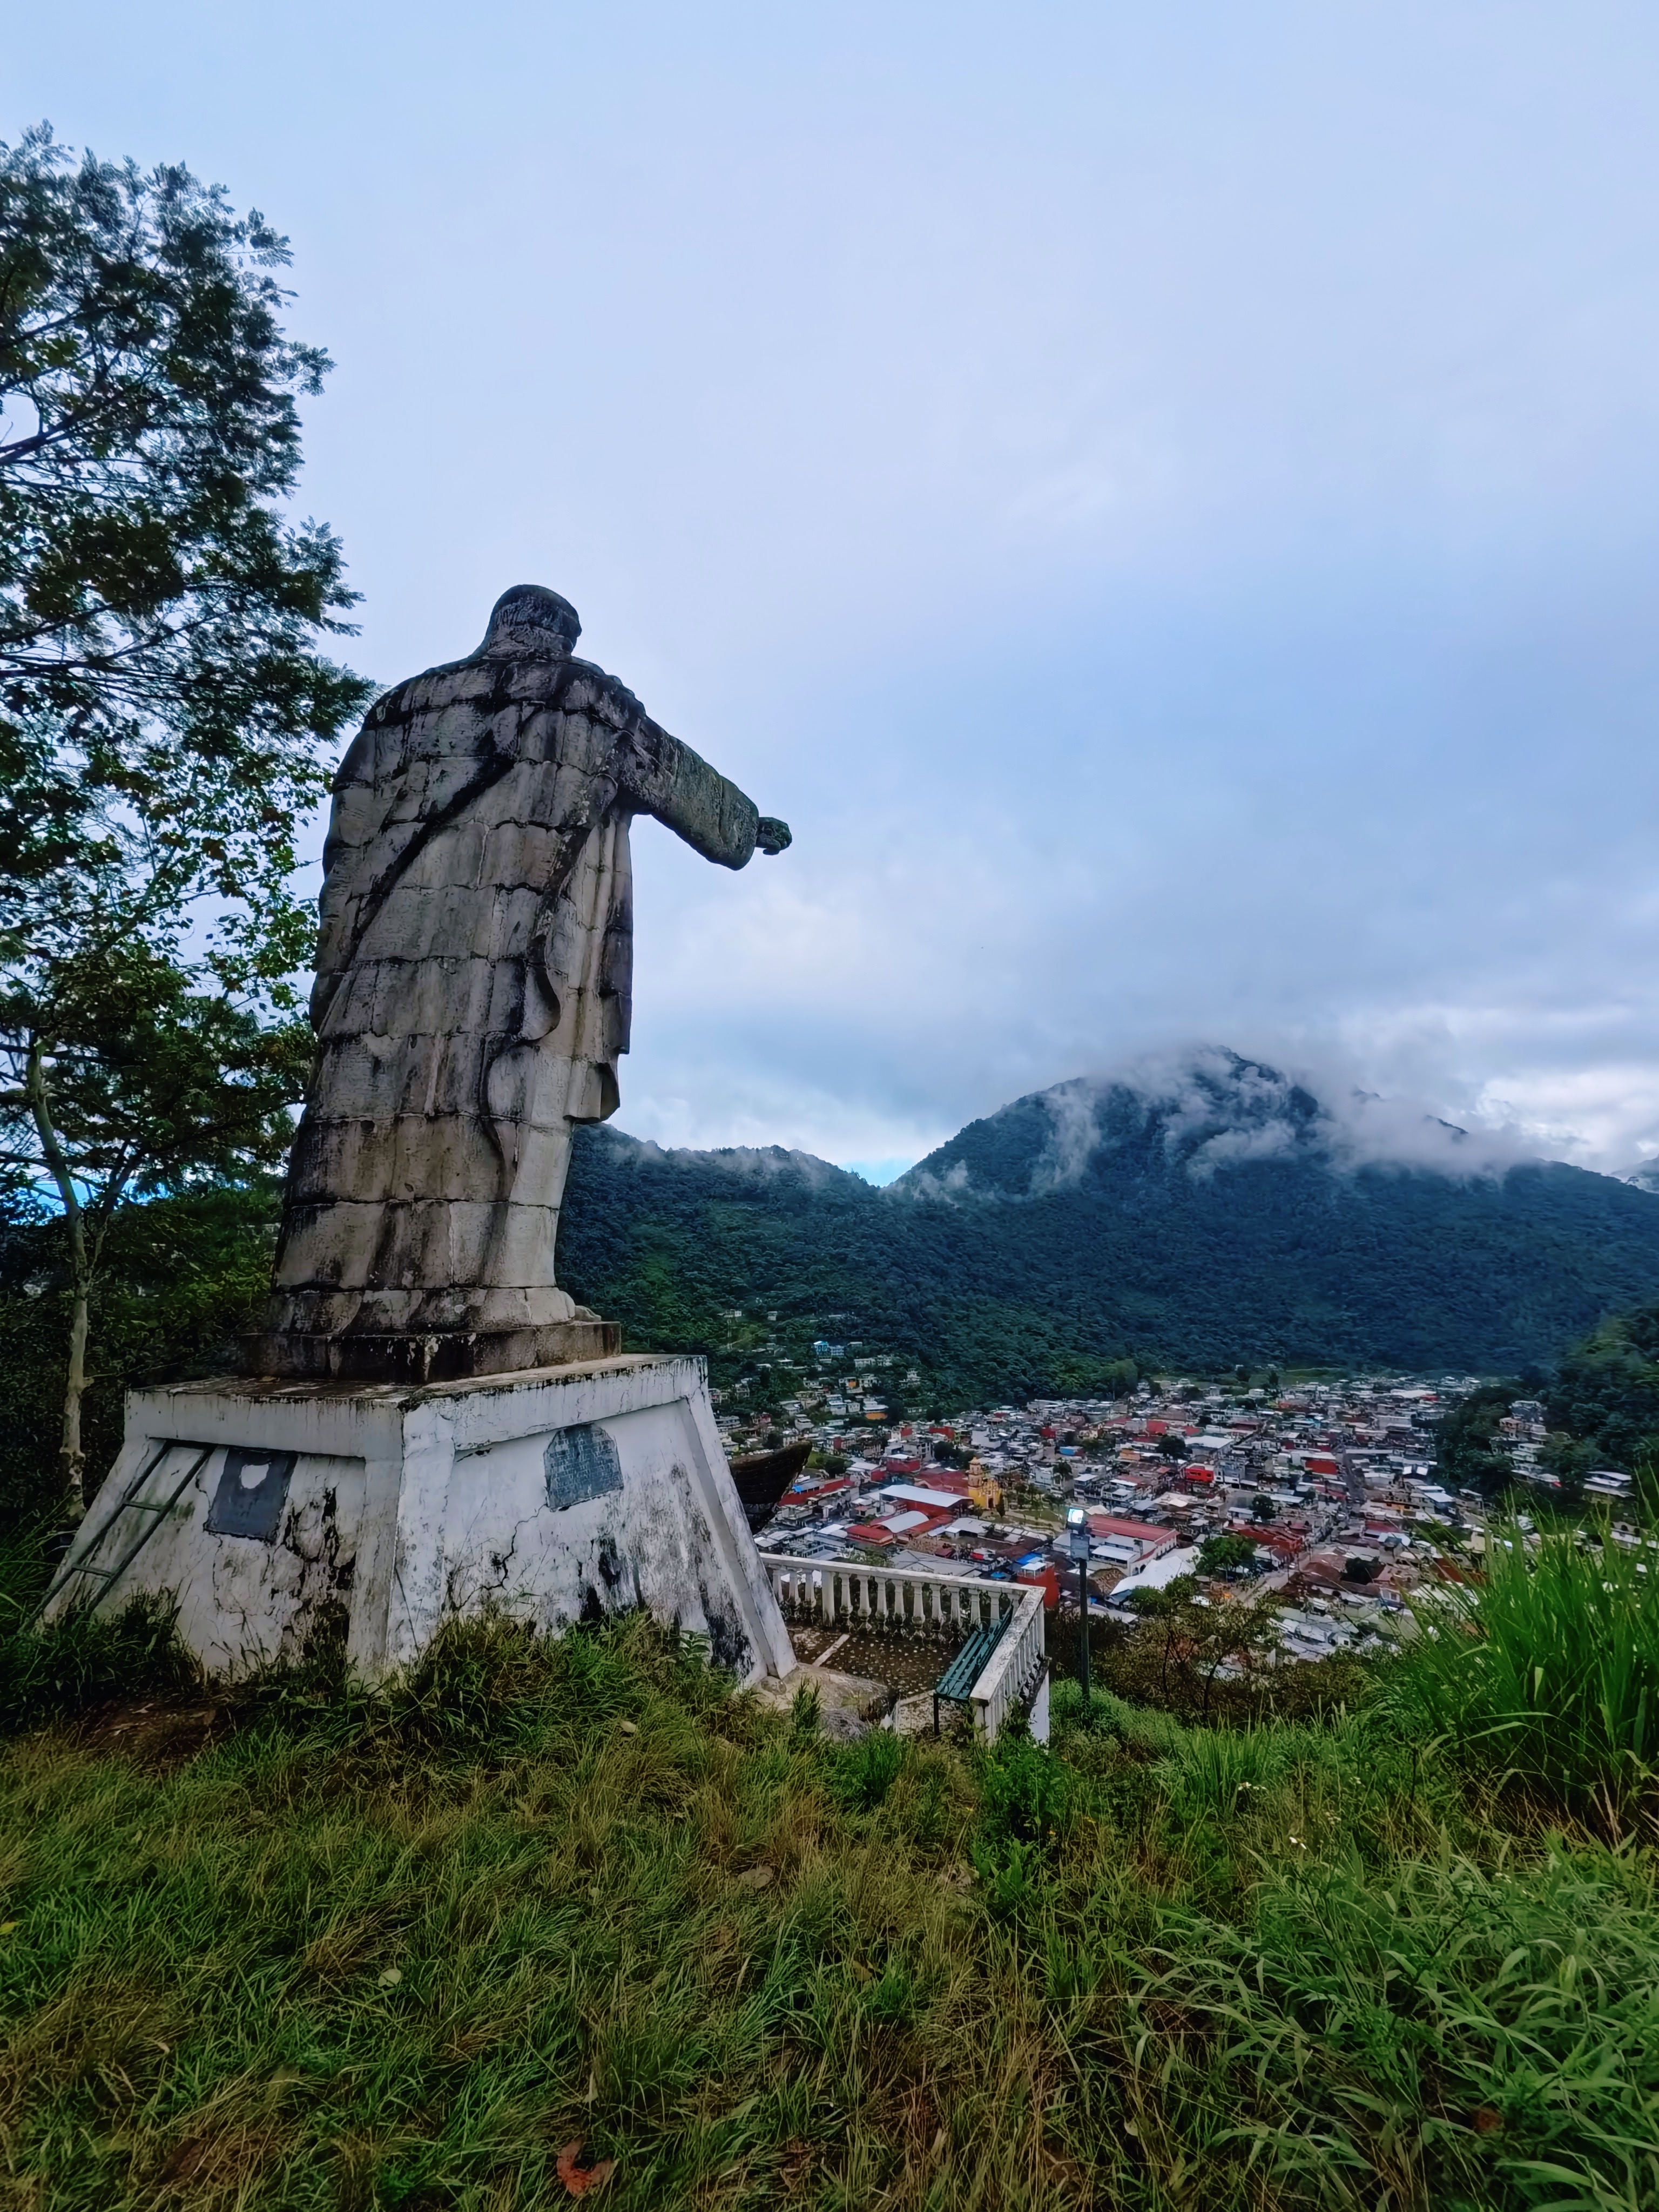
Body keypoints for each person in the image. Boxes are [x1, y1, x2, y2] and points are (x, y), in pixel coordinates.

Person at [249, 585, 790, 1380]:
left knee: (369, 1103)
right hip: (522, 940)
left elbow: (346, 849)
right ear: (560, 637)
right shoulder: (586, 696)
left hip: (384, 951)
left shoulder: (398, 709)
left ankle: (326, 1292)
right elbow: (682, 783)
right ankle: (498, 1291)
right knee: (503, 1091)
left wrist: (336, 968)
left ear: (499, 625)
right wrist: (751, 828)